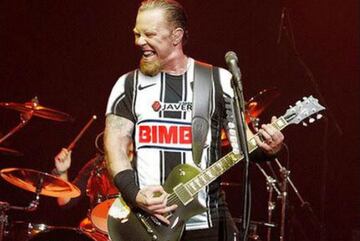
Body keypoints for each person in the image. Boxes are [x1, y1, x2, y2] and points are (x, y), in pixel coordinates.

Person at [104, 0, 284, 240]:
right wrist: (134, 195)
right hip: (146, 223)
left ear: (176, 36)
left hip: (208, 222)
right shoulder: (127, 85)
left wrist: (271, 148)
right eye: (137, 34)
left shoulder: (218, 81)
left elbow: (245, 145)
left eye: (149, 34)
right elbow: (114, 147)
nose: (139, 42)